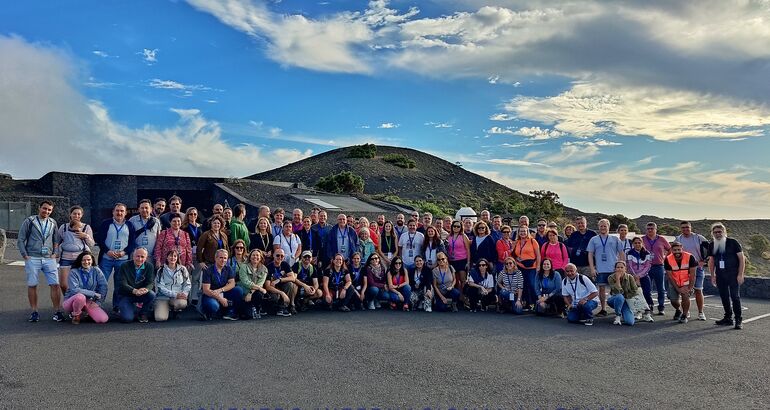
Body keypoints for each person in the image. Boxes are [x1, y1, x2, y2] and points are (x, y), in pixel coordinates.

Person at [95, 203, 136, 312]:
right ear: (113, 212)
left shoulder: (130, 225)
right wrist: (107, 251)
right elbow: (100, 239)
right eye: (117, 210)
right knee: (101, 283)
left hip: (122, 260)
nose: (119, 213)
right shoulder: (106, 223)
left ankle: (116, 306)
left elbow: (132, 242)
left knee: (119, 284)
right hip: (106, 259)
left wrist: (124, 252)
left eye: (122, 211)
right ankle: (97, 305)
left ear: (125, 213)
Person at [707, 223, 746, 329]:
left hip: (733, 274)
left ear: (724, 232)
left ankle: (738, 319)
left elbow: (742, 259)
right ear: (712, 234)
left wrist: (740, 274)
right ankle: (728, 318)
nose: (718, 234)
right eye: (715, 232)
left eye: (720, 231)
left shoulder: (733, 242)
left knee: (735, 297)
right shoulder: (712, 245)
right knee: (724, 297)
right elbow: (711, 261)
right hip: (720, 275)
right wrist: (712, 275)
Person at [586, 218, 624, 317]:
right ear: (599, 227)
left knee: (617, 289)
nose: (603, 228)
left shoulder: (615, 239)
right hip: (600, 269)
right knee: (601, 290)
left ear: (608, 227)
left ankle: (618, 309)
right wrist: (592, 268)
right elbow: (590, 254)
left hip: (613, 269)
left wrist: (623, 267)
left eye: (605, 226)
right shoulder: (594, 239)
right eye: (601, 226)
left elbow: (621, 253)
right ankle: (603, 309)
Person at [56, 205, 95, 295]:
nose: (76, 216)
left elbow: (92, 244)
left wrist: (86, 236)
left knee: (81, 284)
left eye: (78, 214)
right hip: (65, 258)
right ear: (70, 214)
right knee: (63, 284)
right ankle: (69, 299)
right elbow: (56, 242)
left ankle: (80, 302)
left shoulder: (86, 227)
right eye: (74, 214)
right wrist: (56, 253)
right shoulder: (64, 227)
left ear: (81, 215)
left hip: (81, 258)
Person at [62, 251, 109, 324]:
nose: (86, 262)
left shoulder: (96, 270)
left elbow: (103, 286)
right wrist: (93, 294)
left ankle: (87, 313)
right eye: (83, 260)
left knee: (103, 319)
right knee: (80, 297)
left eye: (88, 260)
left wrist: (98, 302)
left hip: (88, 301)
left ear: (92, 260)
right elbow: (74, 290)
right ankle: (76, 315)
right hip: (72, 301)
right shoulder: (73, 272)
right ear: (80, 261)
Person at [676, 220, 709, 321]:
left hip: (698, 268)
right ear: (680, 229)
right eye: (683, 227)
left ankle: (700, 312)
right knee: (684, 292)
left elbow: (710, 250)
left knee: (698, 290)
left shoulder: (699, 238)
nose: (685, 229)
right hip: (683, 269)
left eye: (687, 227)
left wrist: (704, 261)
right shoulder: (678, 239)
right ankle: (686, 312)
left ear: (691, 228)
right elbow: (675, 252)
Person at [200, 249, 243, 321]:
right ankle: (206, 311)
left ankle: (230, 311)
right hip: (211, 294)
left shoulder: (228, 268)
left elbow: (232, 283)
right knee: (213, 306)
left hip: (222, 292)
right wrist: (220, 299)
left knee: (238, 290)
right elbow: (206, 290)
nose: (223, 260)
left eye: (225, 258)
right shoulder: (208, 270)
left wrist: (220, 290)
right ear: (215, 258)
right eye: (221, 257)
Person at [116, 248, 156, 323]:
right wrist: (134, 290)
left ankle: (143, 313)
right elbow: (122, 283)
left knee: (152, 295)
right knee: (127, 319)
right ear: (133, 256)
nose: (140, 259)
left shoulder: (149, 266)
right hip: (127, 295)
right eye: (137, 256)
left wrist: (146, 289)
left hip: (141, 293)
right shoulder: (124, 266)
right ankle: (131, 308)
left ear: (146, 258)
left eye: (142, 257)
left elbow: (150, 283)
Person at [153, 249, 191, 322]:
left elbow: (187, 284)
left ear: (177, 258)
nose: (172, 258)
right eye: (170, 256)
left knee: (181, 303)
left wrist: (184, 294)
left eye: (175, 256)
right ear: (167, 257)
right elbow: (160, 287)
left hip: (177, 298)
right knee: (160, 318)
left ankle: (175, 310)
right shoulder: (161, 270)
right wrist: (175, 294)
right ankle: (161, 308)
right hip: (163, 297)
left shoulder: (183, 269)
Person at [643, 222, 671, 316]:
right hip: (646, 267)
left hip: (658, 266)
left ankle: (661, 307)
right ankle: (649, 306)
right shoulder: (642, 239)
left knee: (660, 288)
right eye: (648, 229)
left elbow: (670, 249)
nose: (650, 230)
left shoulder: (661, 239)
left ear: (656, 229)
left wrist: (664, 258)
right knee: (647, 288)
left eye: (652, 228)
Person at [664, 242, 697, 324]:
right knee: (673, 300)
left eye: (679, 249)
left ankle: (684, 315)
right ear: (671, 250)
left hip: (686, 282)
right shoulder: (668, 259)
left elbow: (693, 274)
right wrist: (678, 288)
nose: (677, 252)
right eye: (675, 250)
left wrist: (690, 288)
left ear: (682, 249)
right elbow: (670, 276)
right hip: (674, 282)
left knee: (685, 296)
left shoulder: (690, 257)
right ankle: (678, 310)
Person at [625, 237, 655, 322]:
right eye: (635, 243)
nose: (637, 244)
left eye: (639, 243)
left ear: (642, 244)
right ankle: (638, 312)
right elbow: (629, 266)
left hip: (644, 276)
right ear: (633, 244)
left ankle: (648, 312)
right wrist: (635, 276)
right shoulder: (629, 253)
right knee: (636, 295)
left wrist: (639, 275)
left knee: (646, 293)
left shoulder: (647, 253)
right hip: (633, 277)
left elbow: (648, 266)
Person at [512, 225, 541, 310]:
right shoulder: (517, 242)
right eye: (521, 231)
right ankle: (527, 303)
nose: (522, 233)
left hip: (532, 267)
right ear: (518, 232)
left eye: (524, 231)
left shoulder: (533, 241)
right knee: (522, 285)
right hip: (520, 266)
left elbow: (538, 255)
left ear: (527, 232)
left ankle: (536, 302)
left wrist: (538, 266)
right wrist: (516, 259)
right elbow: (513, 254)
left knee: (532, 285)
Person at [238, 249, 269, 319]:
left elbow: (260, 283)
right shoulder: (244, 266)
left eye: (257, 255)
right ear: (250, 257)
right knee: (246, 316)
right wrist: (260, 288)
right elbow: (245, 281)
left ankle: (257, 308)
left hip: (253, 293)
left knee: (259, 294)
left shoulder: (264, 269)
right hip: (244, 291)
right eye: (253, 255)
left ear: (261, 258)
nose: (255, 257)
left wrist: (250, 293)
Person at [264, 249, 295, 316]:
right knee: (274, 298)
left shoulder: (285, 264)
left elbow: (293, 278)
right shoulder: (268, 267)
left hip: (282, 286)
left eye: (282, 256)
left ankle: (284, 307)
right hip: (273, 289)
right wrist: (281, 293)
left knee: (290, 284)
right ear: (273, 256)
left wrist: (280, 280)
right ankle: (275, 308)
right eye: (278, 255)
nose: (280, 257)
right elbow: (267, 286)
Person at [182, 207, 203, 303]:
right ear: (187, 215)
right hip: (186, 255)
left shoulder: (200, 227)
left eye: (195, 214)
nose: (193, 216)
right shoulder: (184, 227)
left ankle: (194, 298)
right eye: (191, 214)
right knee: (185, 277)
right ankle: (184, 297)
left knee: (196, 277)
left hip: (198, 255)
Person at [607, 261, 639, 326]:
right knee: (619, 296)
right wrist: (618, 279)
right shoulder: (611, 277)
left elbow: (635, 291)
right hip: (614, 300)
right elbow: (616, 292)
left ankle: (623, 311)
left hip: (626, 300)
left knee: (630, 322)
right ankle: (618, 316)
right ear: (615, 269)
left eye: (622, 267)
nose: (620, 269)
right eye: (618, 267)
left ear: (625, 269)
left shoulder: (630, 277)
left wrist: (627, 297)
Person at [446, 220, 471, 294]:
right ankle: (458, 297)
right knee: (454, 280)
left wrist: (468, 262)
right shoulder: (449, 236)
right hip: (452, 260)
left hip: (462, 260)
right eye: (454, 226)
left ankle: (464, 296)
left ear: (461, 227)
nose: (456, 228)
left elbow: (468, 249)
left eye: (458, 226)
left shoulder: (463, 236)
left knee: (463, 279)